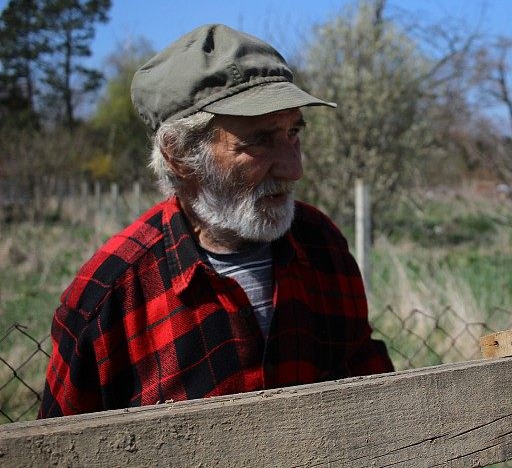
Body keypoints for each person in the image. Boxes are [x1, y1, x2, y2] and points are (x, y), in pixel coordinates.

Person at [39, 24, 394, 417]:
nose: (294, 168)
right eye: (259, 140)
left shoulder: (321, 243)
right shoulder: (110, 295)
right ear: (180, 155)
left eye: (293, 132)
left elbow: (376, 402)